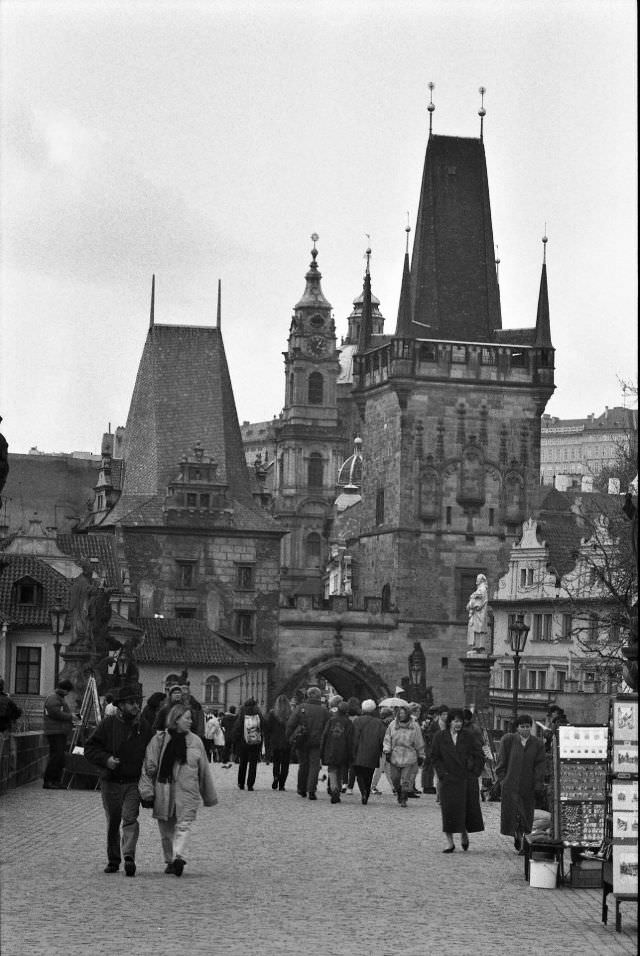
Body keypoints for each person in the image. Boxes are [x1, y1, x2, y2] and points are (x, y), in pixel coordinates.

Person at [139, 702, 217, 877]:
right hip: (165, 790)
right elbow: (148, 767)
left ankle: (178, 857)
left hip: (188, 792)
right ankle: (169, 860)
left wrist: (209, 796)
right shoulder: (159, 740)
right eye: (187, 718)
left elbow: (204, 770)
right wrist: (147, 792)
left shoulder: (196, 741)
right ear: (176, 719)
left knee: (183, 825)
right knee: (166, 832)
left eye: (191, 718)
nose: (190, 721)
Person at [84, 684, 154, 876]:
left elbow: (153, 749)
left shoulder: (144, 726)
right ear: (121, 705)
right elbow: (90, 748)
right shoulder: (107, 725)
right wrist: (106, 760)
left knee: (130, 818)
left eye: (137, 702)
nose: (136, 706)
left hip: (132, 781)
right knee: (113, 821)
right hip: (111, 781)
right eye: (132, 703)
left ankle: (129, 856)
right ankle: (114, 859)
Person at [431, 708, 485, 852]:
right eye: (455, 721)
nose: (458, 724)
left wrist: (474, 772)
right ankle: (449, 842)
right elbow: (435, 757)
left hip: (466, 779)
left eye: (460, 721)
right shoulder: (440, 736)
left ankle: (464, 834)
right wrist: (442, 774)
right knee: (448, 811)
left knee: (465, 809)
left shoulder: (468, 736)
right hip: (448, 779)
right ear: (449, 722)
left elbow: (479, 755)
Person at [495, 713, 546, 852]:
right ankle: (518, 837)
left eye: (528, 726)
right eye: (522, 726)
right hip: (510, 784)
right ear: (517, 728)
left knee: (525, 815)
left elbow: (540, 766)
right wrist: (502, 780)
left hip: (527, 786)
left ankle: (523, 838)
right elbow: (501, 761)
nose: (525, 729)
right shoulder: (508, 740)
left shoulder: (537, 743)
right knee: (513, 813)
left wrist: (538, 784)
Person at [286, 686, 329, 800]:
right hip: (316, 742)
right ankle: (311, 790)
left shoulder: (301, 708)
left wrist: (290, 738)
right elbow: (327, 728)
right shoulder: (324, 711)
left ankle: (301, 789)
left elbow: (291, 724)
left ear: (308, 696)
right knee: (314, 766)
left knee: (303, 765)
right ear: (319, 697)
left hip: (301, 740)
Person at [383, 702, 425, 807]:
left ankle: (403, 797)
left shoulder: (414, 726)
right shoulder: (392, 725)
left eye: (403, 713)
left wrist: (421, 755)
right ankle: (399, 791)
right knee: (395, 778)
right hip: (395, 755)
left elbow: (419, 741)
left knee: (406, 779)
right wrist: (387, 751)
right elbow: (387, 739)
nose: (401, 715)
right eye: (400, 713)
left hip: (409, 755)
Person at [42, 678, 77, 789]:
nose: (68, 693)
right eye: (68, 691)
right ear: (64, 689)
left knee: (59, 757)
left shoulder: (57, 698)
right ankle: (49, 781)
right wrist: (70, 716)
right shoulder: (53, 698)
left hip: (59, 731)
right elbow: (55, 713)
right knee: (56, 757)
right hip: (55, 731)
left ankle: (55, 780)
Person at [351, 699, 386, 805]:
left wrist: (352, 750)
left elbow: (354, 736)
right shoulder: (379, 722)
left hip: (358, 752)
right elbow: (382, 738)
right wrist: (381, 750)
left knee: (359, 774)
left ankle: (363, 793)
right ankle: (367, 791)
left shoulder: (357, 721)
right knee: (369, 774)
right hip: (372, 751)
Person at [320, 698, 353, 803]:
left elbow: (324, 735)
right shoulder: (348, 723)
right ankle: (337, 790)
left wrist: (322, 750)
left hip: (331, 749)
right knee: (340, 770)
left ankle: (334, 789)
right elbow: (351, 739)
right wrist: (351, 753)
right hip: (343, 750)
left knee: (332, 770)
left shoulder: (331, 720)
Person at [231, 698, 265, 791]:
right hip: (255, 742)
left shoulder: (242, 715)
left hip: (243, 743)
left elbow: (236, 729)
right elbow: (264, 725)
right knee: (253, 764)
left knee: (243, 763)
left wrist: (235, 741)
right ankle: (250, 784)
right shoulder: (258, 715)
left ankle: (241, 783)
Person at [265, 694, 292, 791]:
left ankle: (276, 776)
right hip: (287, 741)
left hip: (275, 741)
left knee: (276, 762)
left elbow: (268, 728)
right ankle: (282, 784)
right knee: (285, 764)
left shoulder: (273, 713)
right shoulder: (291, 713)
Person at [466, 573, 489, 652]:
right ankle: (477, 647)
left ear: (481, 580)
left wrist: (471, 604)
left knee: (478, 629)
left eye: (478, 579)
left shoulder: (482, 589)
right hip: (478, 614)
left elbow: (478, 602)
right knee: (477, 629)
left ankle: (478, 647)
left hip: (479, 613)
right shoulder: (481, 589)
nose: (477, 580)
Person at [421, 705, 440, 794]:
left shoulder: (428, 721)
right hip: (430, 746)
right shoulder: (431, 722)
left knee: (429, 767)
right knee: (428, 767)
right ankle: (427, 786)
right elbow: (429, 734)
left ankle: (428, 785)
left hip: (429, 746)